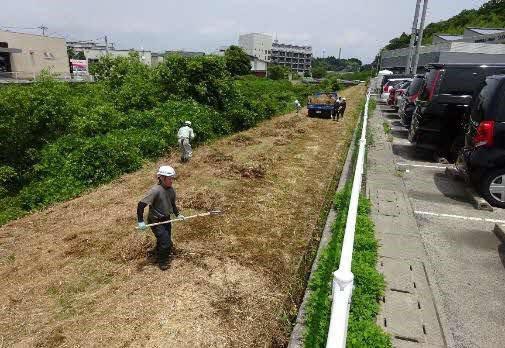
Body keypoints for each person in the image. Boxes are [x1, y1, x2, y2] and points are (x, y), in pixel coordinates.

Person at [137, 165, 185, 270]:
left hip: (166, 219)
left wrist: (178, 215)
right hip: (156, 221)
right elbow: (141, 204)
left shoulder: (171, 190)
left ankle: (157, 253)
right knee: (166, 243)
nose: (172, 181)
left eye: (173, 178)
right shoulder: (155, 191)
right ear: (162, 178)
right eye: (170, 178)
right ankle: (162, 262)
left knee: (164, 240)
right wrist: (140, 221)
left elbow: (172, 204)